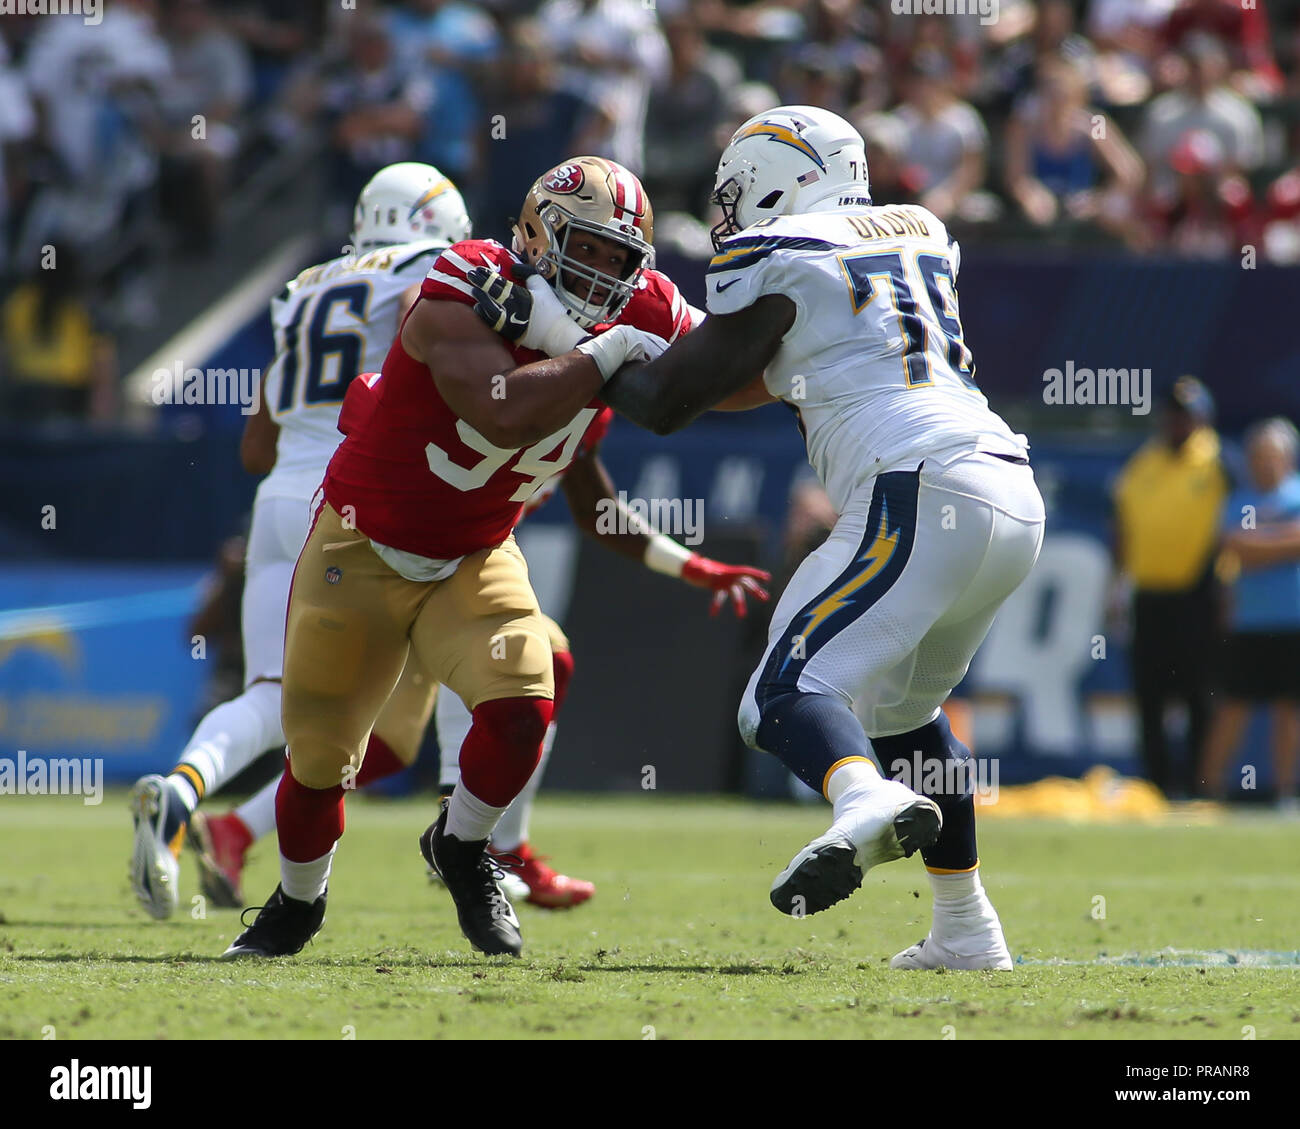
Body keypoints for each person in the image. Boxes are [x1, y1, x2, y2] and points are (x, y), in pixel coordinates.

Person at [466, 107, 1047, 970]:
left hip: (920, 482)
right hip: (1009, 489)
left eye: (738, 192)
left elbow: (667, 402)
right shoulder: (921, 232)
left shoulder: (782, 255)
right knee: (906, 717)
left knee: (778, 694)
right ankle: (967, 927)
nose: (731, 215)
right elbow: (762, 370)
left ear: (788, 177)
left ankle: (859, 805)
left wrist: (564, 338)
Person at [223, 156, 763, 960]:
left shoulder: (632, 312)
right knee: (318, 767)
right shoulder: (466, 280)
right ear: (539, 234)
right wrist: (609, 347)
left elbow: (725, 374)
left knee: (524, 704)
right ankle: (297, 903)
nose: (607, 273)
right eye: (589, 249)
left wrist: (808, 356)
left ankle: (465, 846)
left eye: (623, 259)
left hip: (474, 552)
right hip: (361, 546)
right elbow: (502, 413)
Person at [128, 163, 473, 920]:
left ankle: (183, 790)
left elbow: (256, 443)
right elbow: (431, 360)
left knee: (269, 693)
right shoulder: (430, 268)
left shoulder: (306, 283)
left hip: (278, 495)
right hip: (358, 498)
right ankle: (478, 835)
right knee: (467, 636)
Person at [1110, 376, 1230, 799]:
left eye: (1186, 414)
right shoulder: (1143, 463)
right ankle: (1157, 784)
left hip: (1199, 594)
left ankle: (1200, 783)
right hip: (1150, 596)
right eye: (1172, 414)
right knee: (1150, 695)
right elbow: (1122, 528)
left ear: (1202, 418)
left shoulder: (1220, 461)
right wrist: (1116, 584)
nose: (1177, 422)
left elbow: (1236, 523)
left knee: (1199, 693)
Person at [1199, 418, 1300, 809]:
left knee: (1288, 707)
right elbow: (1233, 547)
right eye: (1257, 457)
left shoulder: (1295, 494)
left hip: (1292, 620)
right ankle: (1208, 789)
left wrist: (1260, 544)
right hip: (1248, 622)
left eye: (1271, 457)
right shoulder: (1238, 501)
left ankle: (1284, 791)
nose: (1264, 464)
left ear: (1287, 458)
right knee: (1233, 705)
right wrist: (1284, 541)